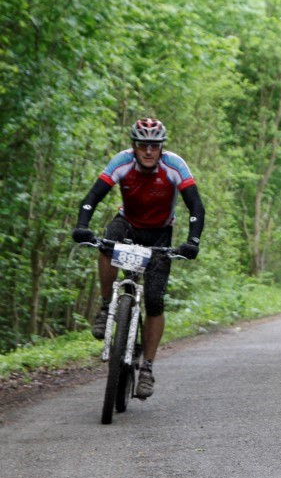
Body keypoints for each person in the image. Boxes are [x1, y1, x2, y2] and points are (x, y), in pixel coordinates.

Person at [72, 118, 205, 400]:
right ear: (134, 146)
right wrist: (83, 225)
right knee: (106, 243)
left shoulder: (174, 166)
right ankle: (107, 305)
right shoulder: (122, 162)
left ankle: (147, 368)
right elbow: (92, 197)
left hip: (159, 234)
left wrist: (192, 241)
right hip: (128, 224)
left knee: (155, 302)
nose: (148, 151)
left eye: (154, 146)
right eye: (142, 145)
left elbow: (195, 204)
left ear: (161, 148)